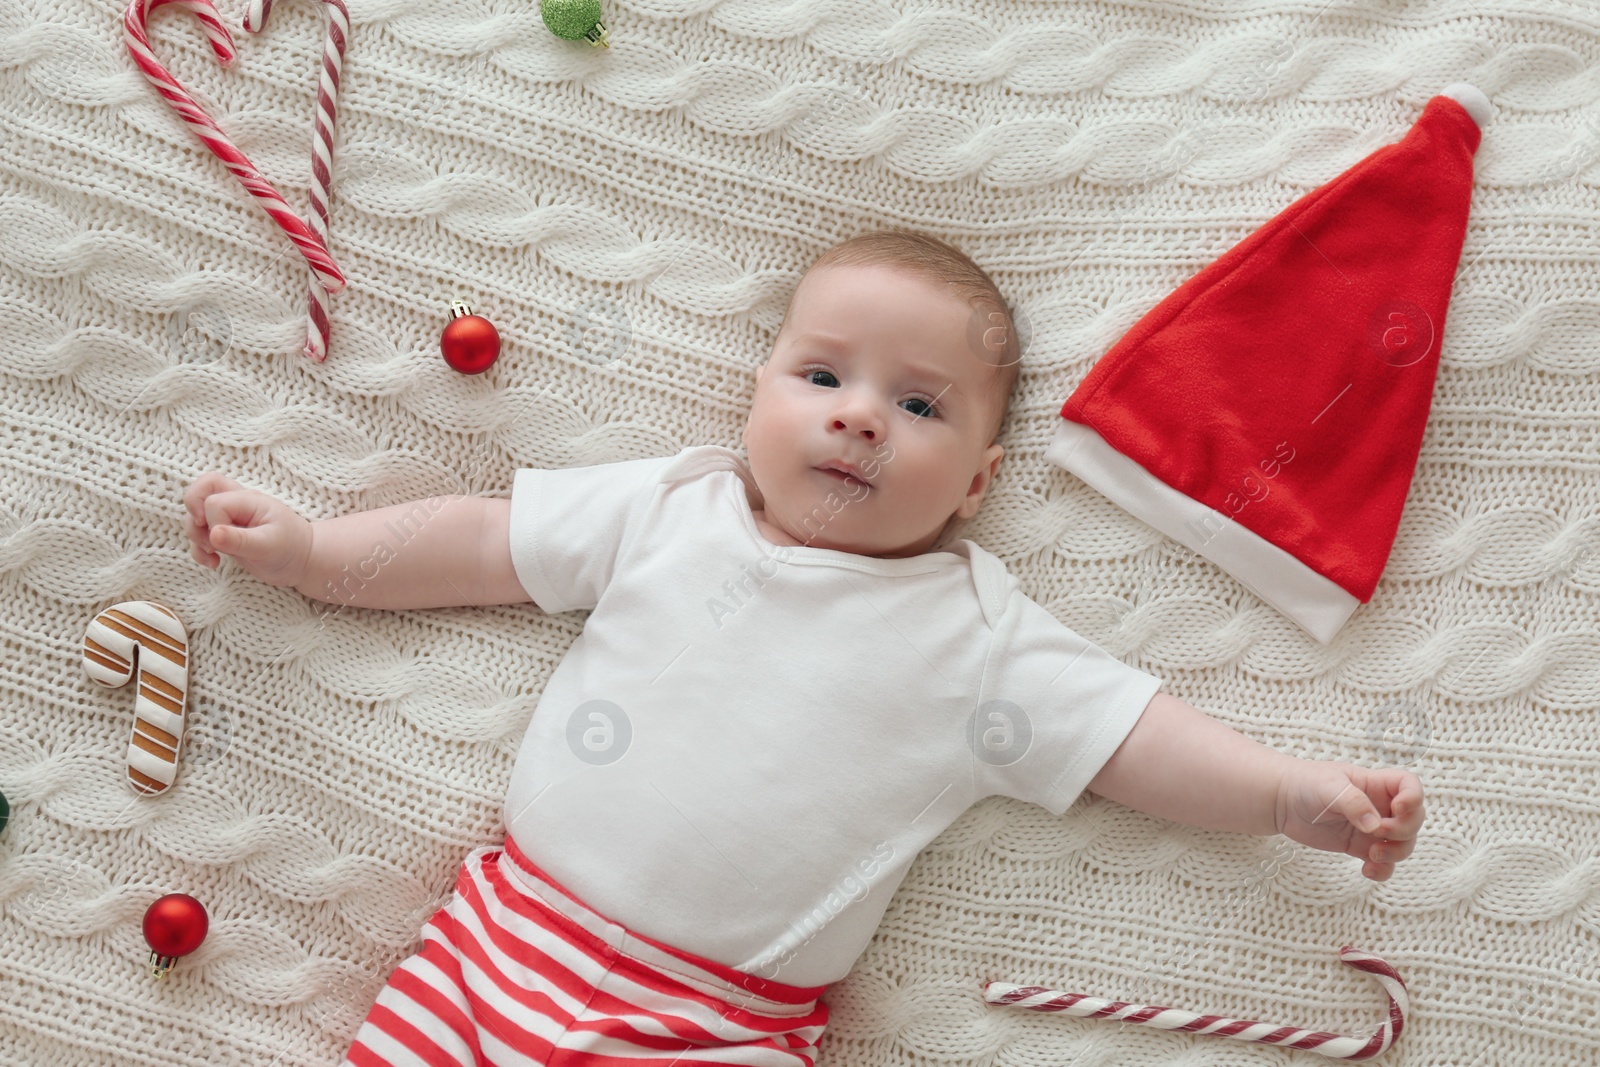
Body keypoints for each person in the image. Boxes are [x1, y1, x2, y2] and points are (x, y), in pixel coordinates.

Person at [184, 229, 1424, 1067]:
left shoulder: (978, 638)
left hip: (716, 1021)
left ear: (980, 483)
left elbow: (1134, 740)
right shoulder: (668, 510)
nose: (858, 413)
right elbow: (476, 543)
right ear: (756, 390)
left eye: (919, 403)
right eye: (821, 371)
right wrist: (315, 550)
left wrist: (1287, 794)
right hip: (496, 945)